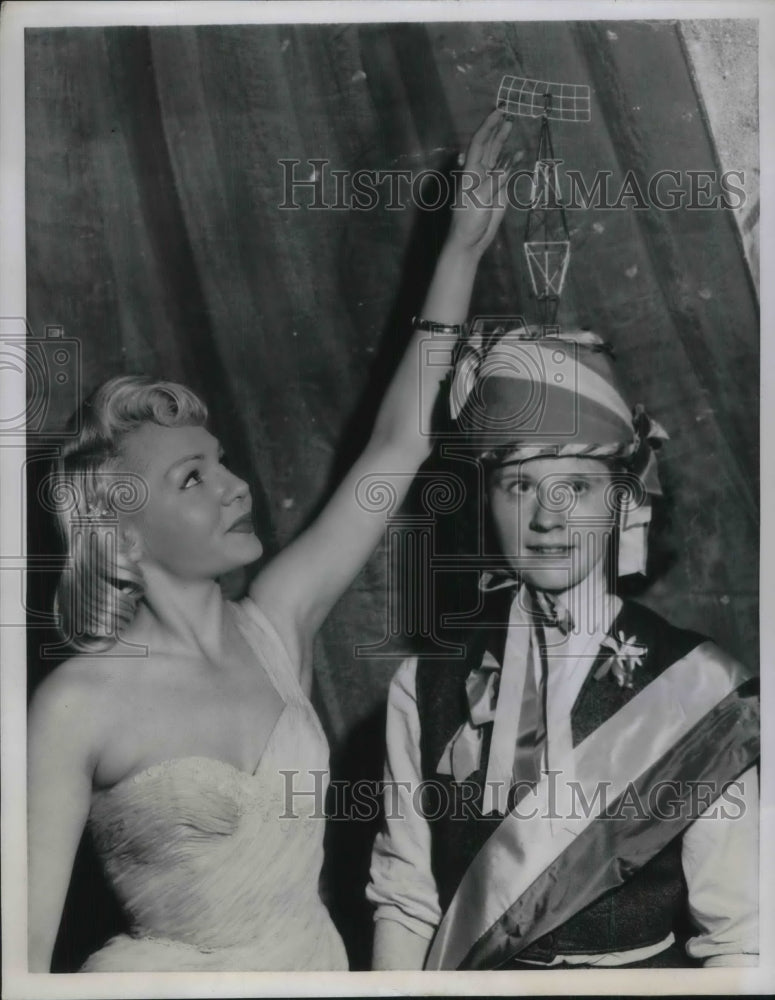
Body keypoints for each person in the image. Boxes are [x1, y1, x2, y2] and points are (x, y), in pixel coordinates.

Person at [26, 109, 518, 972]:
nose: (234, 484)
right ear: (123, 540)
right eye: (192, 478)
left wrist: (462, 253)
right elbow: (14, 959)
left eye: (221, 461)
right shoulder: (75, 703)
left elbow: (398, 445)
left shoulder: (275, 626)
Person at [367, 324, 760, 969]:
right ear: (485, 498)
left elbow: (741, 937)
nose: (548, 518)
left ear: (621, 499)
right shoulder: (425, 681)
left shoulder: (702, 686)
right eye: (519, 486)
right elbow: (407, 902)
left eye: (575, 486)